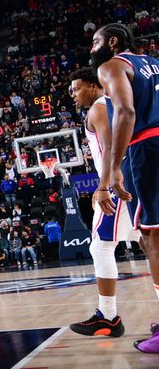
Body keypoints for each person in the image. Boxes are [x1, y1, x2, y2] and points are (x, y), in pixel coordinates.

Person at [91, 23, 159, 353]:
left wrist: (115, 165)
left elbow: (126, 110)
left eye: (95, 42)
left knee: (153, 237)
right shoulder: (154, 63)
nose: (92, 49)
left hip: (147, 149)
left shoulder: (113, 65)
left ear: (112, 42)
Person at [67, 67, 139, 336]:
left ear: (95, 86)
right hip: (135, 179)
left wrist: (103, 186)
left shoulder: (99, 107)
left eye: (77, 88)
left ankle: (108, 316)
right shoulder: (121, 101)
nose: (73, 94)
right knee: (148, 244)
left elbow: (110, 148)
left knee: (101, 246)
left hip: (117, 185)